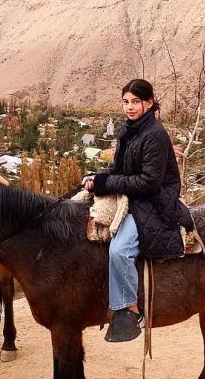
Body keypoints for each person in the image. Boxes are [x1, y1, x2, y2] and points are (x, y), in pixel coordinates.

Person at [83, 79, 193, 343]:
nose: (130, 107)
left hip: (154, 200)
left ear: (150, 103)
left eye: (135, 102)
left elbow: (149, 182)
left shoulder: (154, 134)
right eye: (126, 102)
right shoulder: (128, 130)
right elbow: (120, 170)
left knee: (120, 250)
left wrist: (107, 183)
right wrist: (96, 178)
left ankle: (131, 310)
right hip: (134, 194)